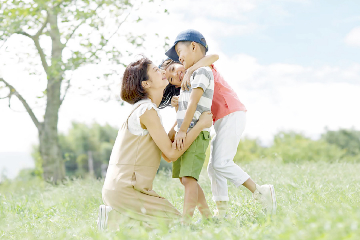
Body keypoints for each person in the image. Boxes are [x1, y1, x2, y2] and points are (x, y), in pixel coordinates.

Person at [163, 29, 277, 217]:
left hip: (231, 112)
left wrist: (191, 69)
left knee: (222, 163)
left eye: (179, 51)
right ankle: (222, 211)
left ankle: (260, 191)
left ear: (193, 46)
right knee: (214, 167)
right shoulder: (193, 76)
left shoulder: (201, 68)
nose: (179, 57)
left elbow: (214, 55)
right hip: (222, 118)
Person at [97, 57, 213, 230]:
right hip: (128, 190)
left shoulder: (145, 109)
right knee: (180, 228)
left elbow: (167, 154)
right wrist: (200, 125)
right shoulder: (146, 110)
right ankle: (115, 222)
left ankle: (116, 219)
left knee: (166, 227)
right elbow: (173, 154)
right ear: (146, 84)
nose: (162, 71)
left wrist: (178, 123)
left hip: (122, 189)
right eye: (156, 70)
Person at [160, 33, 215, 222]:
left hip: (194, 133)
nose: (176, 75)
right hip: (185, 131)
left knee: (189, 178)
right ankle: (207, 217)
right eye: (172, 79)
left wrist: (182, 130)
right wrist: (177, 111)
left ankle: (186, 221)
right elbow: (186, 108)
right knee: (185, 179)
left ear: (193, 47)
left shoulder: (201, 72)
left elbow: (194, 102)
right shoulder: (186, 82)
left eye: (175, 67)